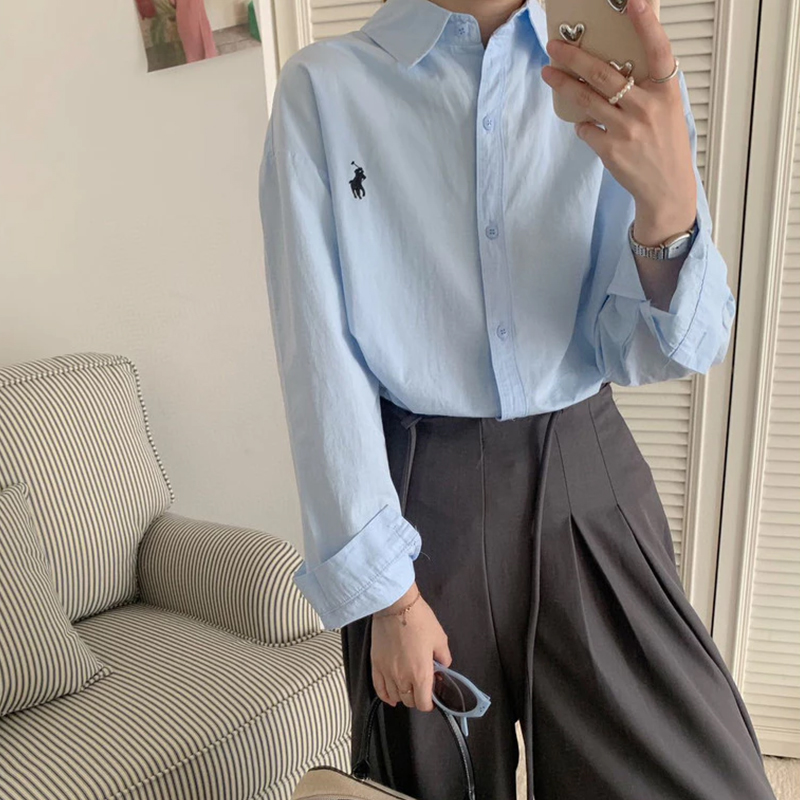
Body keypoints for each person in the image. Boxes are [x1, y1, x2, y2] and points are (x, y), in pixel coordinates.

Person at [258, 0, 777, 798]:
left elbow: (665, 346)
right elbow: (319, 365)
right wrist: (389, 599)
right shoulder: (325, 91)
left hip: (584, 478)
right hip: (415, 511)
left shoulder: (609, 68)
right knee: (435, 782)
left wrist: (671, 207)